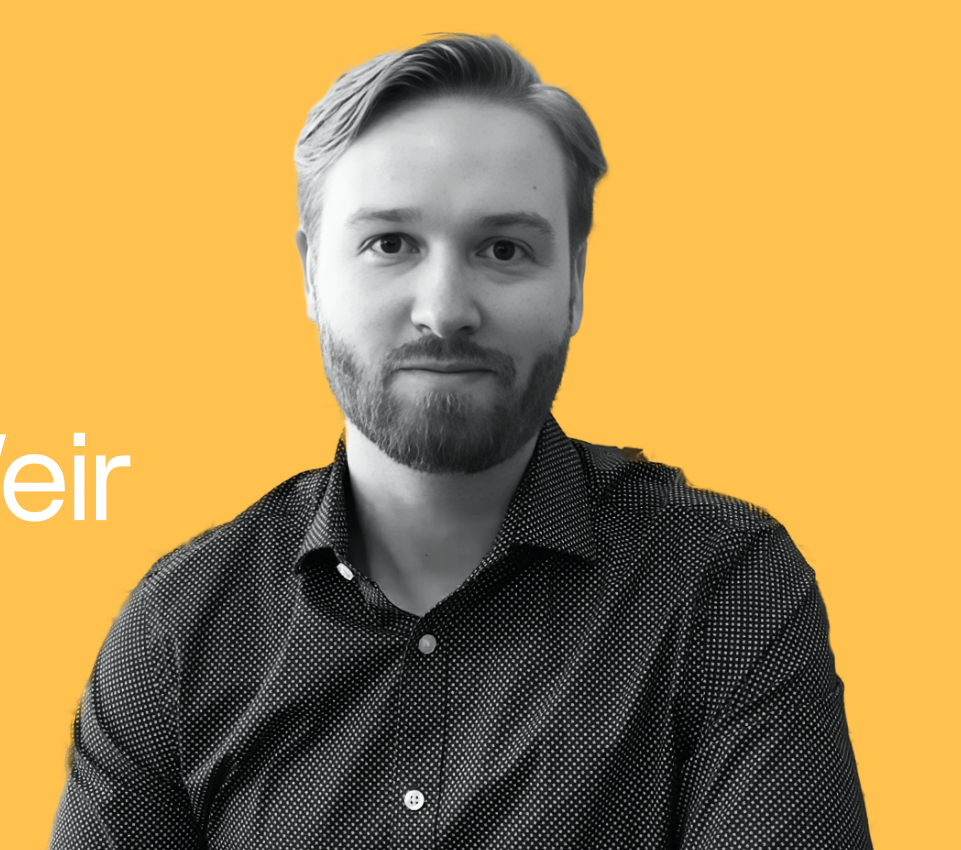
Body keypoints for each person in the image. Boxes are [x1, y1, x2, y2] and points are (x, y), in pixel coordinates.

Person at [51, 33, 871, 849]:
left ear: (575, 286)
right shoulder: (179, 633)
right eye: (390, 244)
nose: (444, 310)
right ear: (309, 276)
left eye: (503, 249)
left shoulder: (724, 588)